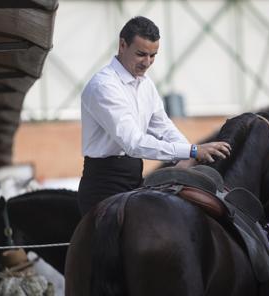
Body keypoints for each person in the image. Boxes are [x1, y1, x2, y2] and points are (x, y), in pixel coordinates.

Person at [78, 15, 230, 214]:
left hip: (134, 178)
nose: (147, 62)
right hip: (103, 185)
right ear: (122, 45)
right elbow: (134, 143)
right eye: (141, 54)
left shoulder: (145, 83)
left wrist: (185, 154)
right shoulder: (103, 86)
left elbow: (162, 125)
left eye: (153, 55)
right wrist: (192, 151)